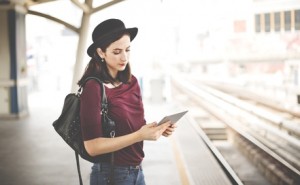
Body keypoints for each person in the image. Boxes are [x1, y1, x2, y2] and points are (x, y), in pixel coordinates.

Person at [78, 18, 176, 185]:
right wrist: (139, 135)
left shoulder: (132, 82)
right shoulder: (94, 88)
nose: (124, 57)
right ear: (101, 53)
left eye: (127, 49)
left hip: (137, 171)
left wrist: (158, 129)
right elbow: (92, 147)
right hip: (111, 175)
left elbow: (135, 125)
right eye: (117, 52)